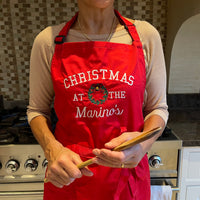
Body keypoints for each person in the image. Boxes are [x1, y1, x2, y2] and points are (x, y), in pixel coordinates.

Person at [27, 0, 168, 199]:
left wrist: (143, 145)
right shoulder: (48, 41)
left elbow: (158, 108)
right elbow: (37, 111)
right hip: (70, 177)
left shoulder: (145, 35)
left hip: (127, 179)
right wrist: (52, 149)